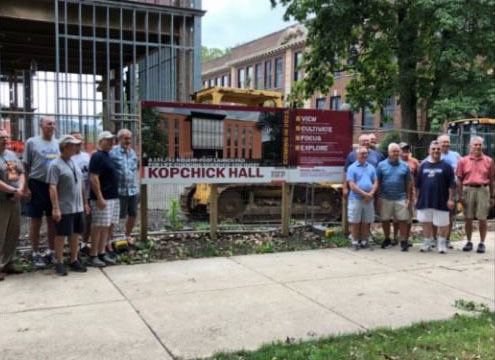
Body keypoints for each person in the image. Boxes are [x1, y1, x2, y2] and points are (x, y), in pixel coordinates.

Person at [47, 135, 89, 276]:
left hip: (78, 207)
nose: (77, 147)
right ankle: (58, 262)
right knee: (61, 235)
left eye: (77, 145)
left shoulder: (74, 162)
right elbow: (52, 187)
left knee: (76, 234)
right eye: (74, 145)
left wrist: (85, 202)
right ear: (65, 146)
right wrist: (56, 207)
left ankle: (74, 259)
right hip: (64, 207)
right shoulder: (55, 165)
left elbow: (82, 183)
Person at [23, 116, 60, 268]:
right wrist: (26, 186)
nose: (52, 126)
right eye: (48, 124)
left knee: (52, 221)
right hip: (36, 184)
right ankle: (35, 252)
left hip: (53, 185)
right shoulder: (32, 142)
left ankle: (51, 251)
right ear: (41, 126)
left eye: (54, 124)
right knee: (35, 221)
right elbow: (26, 166)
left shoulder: (58, 143)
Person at [416, 141, 456, 254]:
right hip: (425, 200)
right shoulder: (423, 165)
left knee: (443, 223)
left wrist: (450, 199)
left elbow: (452, 185)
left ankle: (442, 244)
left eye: (438, 149)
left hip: (442, 200)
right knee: (426, 222)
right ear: (429, 150)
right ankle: (427, 243)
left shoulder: (447, 166)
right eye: (433, 149)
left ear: (441, 150)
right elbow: (418, 185)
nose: (436, 151)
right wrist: (416, 199)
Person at [456, 136, 494, 254]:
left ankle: (482, 243)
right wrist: (460, 195)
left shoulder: (489, 161)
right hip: (468, 190)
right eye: (475, 144)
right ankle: (469, 241)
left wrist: (492, 196)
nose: (477, 146)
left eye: (479, 144)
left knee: (483, 218)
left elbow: (492, 179)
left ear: (482, 146)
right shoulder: (463, 161)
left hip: (483, 190)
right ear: (470, 146)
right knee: (468, 218)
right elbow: (459, 179)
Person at [88, 131, 119, 267]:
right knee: (98, 227)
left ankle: (101, 252)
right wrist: (99, 197)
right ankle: (93, 254)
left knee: (106, 226)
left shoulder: (107, 155)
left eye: (112, 140)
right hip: (102, 198)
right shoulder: (97, 156)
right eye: (108, 140)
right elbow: (93, 177)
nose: (111, 142)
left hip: (112, 197)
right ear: (101, 141)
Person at [377, 143, 413, 251]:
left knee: (403, 220)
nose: (396, 153)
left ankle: (403, 241)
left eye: (398, 151)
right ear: (388, 153)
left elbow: (408, 183)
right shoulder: (381, 165)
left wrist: (409, 198)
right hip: (385, 197)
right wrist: (378, 198)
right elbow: (378, 182)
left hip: (401, 197)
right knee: (385, 220)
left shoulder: (405, 166)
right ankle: (387, 238)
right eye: (393, 151)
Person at [0, 130, 25, 280]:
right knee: (0, 234)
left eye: (6, 137)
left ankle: (9, 262)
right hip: (2, 200)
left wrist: (20, 189)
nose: (5, 139)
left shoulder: (11, 155)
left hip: (15, 199)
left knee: (13, 233)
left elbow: (21, 172)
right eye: (1, 137)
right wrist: (14, 190)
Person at [110, 129, 139, 247]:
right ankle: (109, 239)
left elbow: (134, 169)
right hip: (119, 190)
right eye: (125, 138)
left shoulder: (132, 152)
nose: (128, 141)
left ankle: (127, 236)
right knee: (114, 216)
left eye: (129, 138)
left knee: (133, 214)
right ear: (119, 139)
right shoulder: (113, 152)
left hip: (132, 189)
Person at [346, 146, 378, 249]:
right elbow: (352, 185)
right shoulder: (352, 168)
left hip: (369, 199)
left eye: (366, 153)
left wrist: (371, 193)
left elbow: (376, 182)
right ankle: (355, 242)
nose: (364, 155)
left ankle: (364, 241)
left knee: (366, 222)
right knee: (355, 222)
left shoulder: (371, 167)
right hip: (356, 199)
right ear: (357, 155)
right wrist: (365, 194)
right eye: (362, 153)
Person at [393, 142, 420, 243]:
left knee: (408, 218)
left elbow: (418, 178)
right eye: (403, 150)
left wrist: (417, 194)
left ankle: (406, 239)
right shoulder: (394, 162)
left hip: (410, 195)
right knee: (396, 218)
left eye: (407, 150)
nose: (405, 153)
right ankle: (395, 237)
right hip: (397, 194)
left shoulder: (414, 162)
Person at [70, 131, 91, 253]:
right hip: (73, 195)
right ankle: (74, 245)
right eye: (76, 140)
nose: (80, 142)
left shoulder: (86, 156)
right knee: (74, 222)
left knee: (87, 220)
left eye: (81, 140)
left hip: (86, 194)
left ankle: (84, 243)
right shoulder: (68, 157)